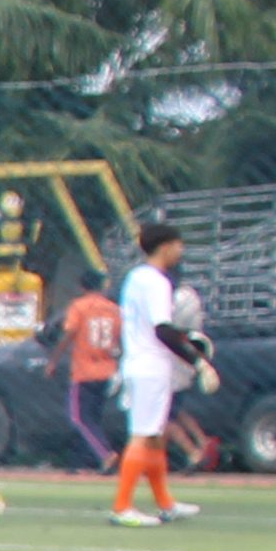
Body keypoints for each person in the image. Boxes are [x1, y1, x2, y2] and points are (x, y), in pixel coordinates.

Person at [112, 222, 198, 527]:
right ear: (165, 247)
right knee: (143, 436)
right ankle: (122, 507)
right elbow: (163, 329)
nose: (181, 250)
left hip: (141, 363)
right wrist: (196, 360)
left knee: (155, 437)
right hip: (149, 366)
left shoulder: (135, 277)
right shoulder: (156, 281)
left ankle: (165, 503)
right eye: (178, 244)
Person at [59, 269, 123, 471]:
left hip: (84, 371)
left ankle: (106, 454)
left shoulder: (79, 307)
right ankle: (87, 460)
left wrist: (55, 358)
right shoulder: (113, 309)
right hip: (107, 369)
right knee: (93, 417)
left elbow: (69, 332)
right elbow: (119, 337)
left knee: (78, 417)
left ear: (81, 286)